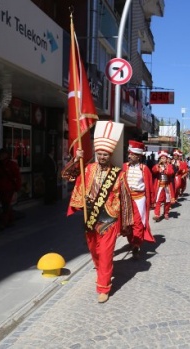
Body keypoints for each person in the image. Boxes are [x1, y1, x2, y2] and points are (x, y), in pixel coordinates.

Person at [61, 121, 133, 303]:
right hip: (91, 216)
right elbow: (67, 176)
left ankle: (103, 286)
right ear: (96, 154)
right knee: (94, 249)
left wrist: (126, 223)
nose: (102, 156)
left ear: (110, 155)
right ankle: (101, 269)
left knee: (107, 252)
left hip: (109, 217)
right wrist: (76, 160)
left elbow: (125, 198)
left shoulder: (118, 174)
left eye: (105, 154)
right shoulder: (88, 169)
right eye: (99, 153)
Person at [123, 140, 155, 259]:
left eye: (132, 154)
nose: (129, 156)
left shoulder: (144, 168)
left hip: (139, 199)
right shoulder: (124, 167)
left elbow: (149, 186)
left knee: (138, 223)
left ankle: (136, 245)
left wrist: (151, 202)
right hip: (126, 199)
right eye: (129, 154)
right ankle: (131, 241)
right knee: (127, 223)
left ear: (138, 156)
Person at [151, 150, 176, 221]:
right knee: (158, 200)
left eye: (164, 158)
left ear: (166, 159)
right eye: (161, 158)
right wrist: (159, 167)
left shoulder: (169, 166)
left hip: (167, 186)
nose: (163, 159)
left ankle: (166, 213)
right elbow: (153, 170)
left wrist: (164, 169)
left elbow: (171, 172)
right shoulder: (157, 166)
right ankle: (157, 214)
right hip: (159, 186)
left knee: (167, 201)